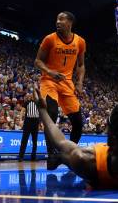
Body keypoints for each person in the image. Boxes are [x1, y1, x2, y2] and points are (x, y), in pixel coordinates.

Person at [34, 12, 86, 170]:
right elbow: (37, 61)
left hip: (67, 83)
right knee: (52, 113)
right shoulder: (49, 39)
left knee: (78, 123)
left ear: (70, 23)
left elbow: (81, 65)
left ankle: (70, 153)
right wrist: (50, 72)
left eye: (62, 19)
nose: (58, 22)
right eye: (57, 19)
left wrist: (80, 83)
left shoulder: (80, 42)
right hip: (49, 81)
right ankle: (52, 155)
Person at [19, 92, 40, 161]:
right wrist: (20, 120)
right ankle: (21, 157)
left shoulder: (38, 102)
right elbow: (22, 111)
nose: (33, 96)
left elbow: (41, 113)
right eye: (32, 95)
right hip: (28, 122)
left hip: (35, 122)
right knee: (24, 140)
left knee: (35, 141)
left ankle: (33, 157)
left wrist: (41, 123)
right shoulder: (27, 102)